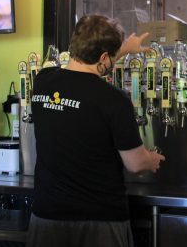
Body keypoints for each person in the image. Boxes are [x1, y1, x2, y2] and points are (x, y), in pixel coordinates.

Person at [27, 14, 165, 247]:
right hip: (97, 223)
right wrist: (151, 159)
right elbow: (136, 164)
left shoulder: (42, 81)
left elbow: (85, 72)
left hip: (46, 218)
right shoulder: (114, 100)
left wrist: (121, 51)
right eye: (111, 57)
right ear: (104, 57)